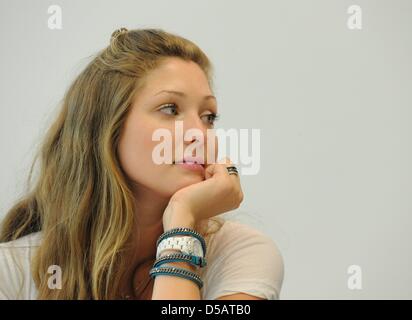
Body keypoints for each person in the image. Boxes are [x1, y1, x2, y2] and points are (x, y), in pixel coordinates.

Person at [0, 28, 284, 300]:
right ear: (105, 129)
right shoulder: (12, 271)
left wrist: (182, 221)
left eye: (208, 116)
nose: (199, 133)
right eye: (170, 109)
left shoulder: (239, 253)